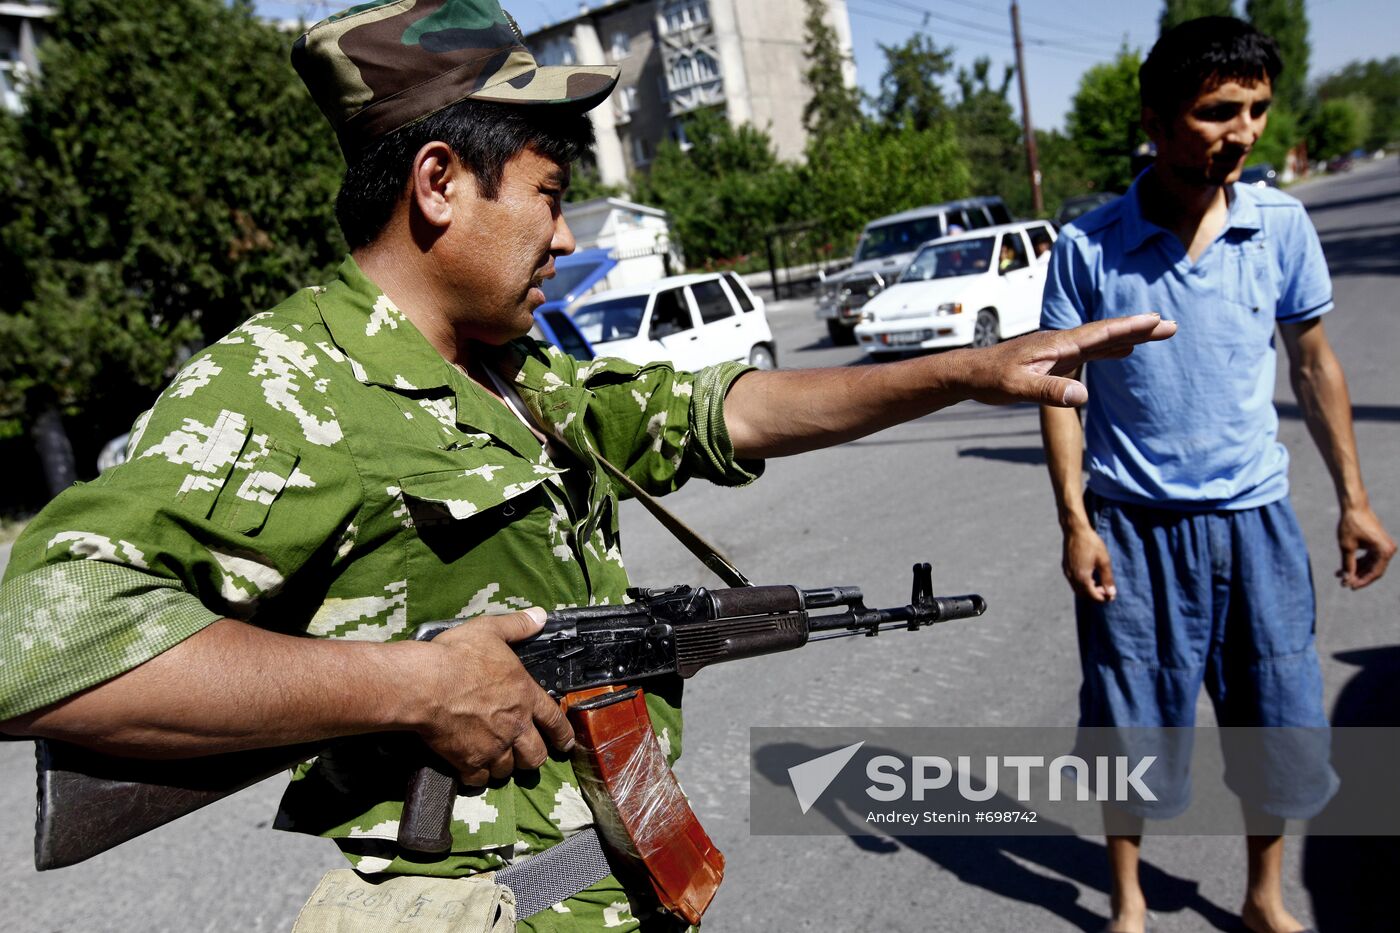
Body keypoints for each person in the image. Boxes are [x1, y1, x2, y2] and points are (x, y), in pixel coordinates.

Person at [0, 1, 1173, 929]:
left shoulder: (510, 370)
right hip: (477, 906)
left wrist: (962, 373)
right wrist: (412, 689)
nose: (567, 238)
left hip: (597, 884)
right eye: (551, 198)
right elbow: (35, 649)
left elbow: (719, 410)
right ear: (439, 184)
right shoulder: (283, 386)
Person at [1038, 17, 1395, 933]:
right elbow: (1060, 391)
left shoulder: (1280, 225)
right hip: (1133, 532)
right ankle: (1128, 899)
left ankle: (1264, 895)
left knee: (1274, 719)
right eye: (1216, 112)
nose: (1242, 132)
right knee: (1129, 727)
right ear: (1155, 119)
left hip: (1257, 524)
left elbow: (1314, 365)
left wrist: (1355, 500)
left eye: (1258, 111)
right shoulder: (1088, 249)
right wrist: (1076, 520)